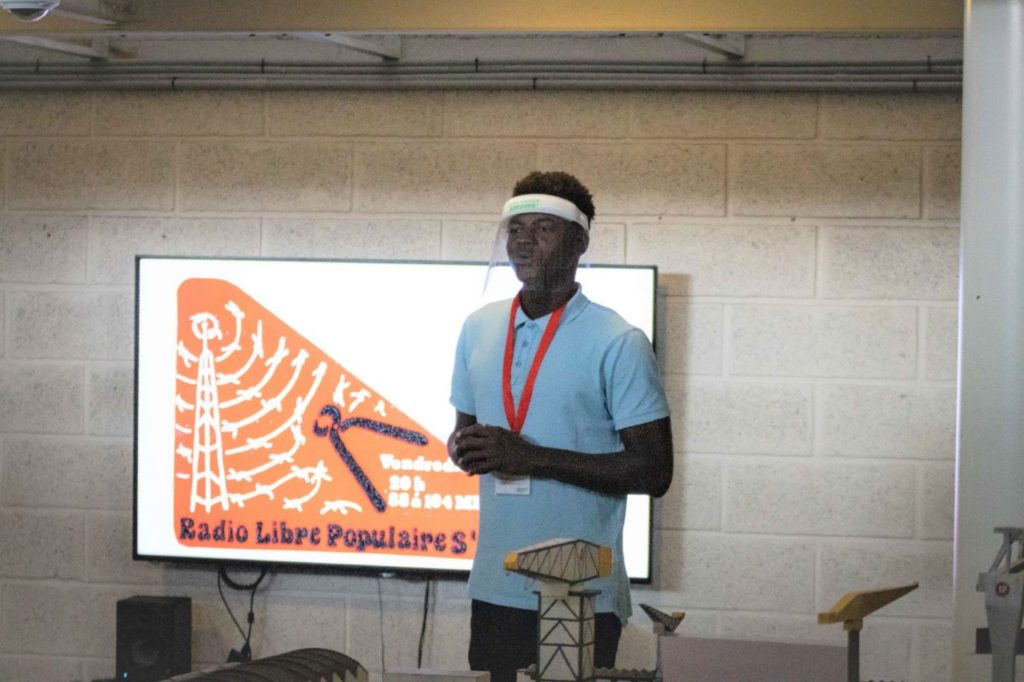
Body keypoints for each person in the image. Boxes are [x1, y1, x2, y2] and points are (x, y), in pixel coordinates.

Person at [448, 170, 673, 681]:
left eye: (542, 229)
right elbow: (467, 433)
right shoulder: (477, 327)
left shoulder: (619, 340)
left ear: (579, 242)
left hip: (583, 594)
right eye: (515, 229)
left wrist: (531, 458)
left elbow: (654, 471)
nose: (523, 243)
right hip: (494, 588)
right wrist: (466, 448)